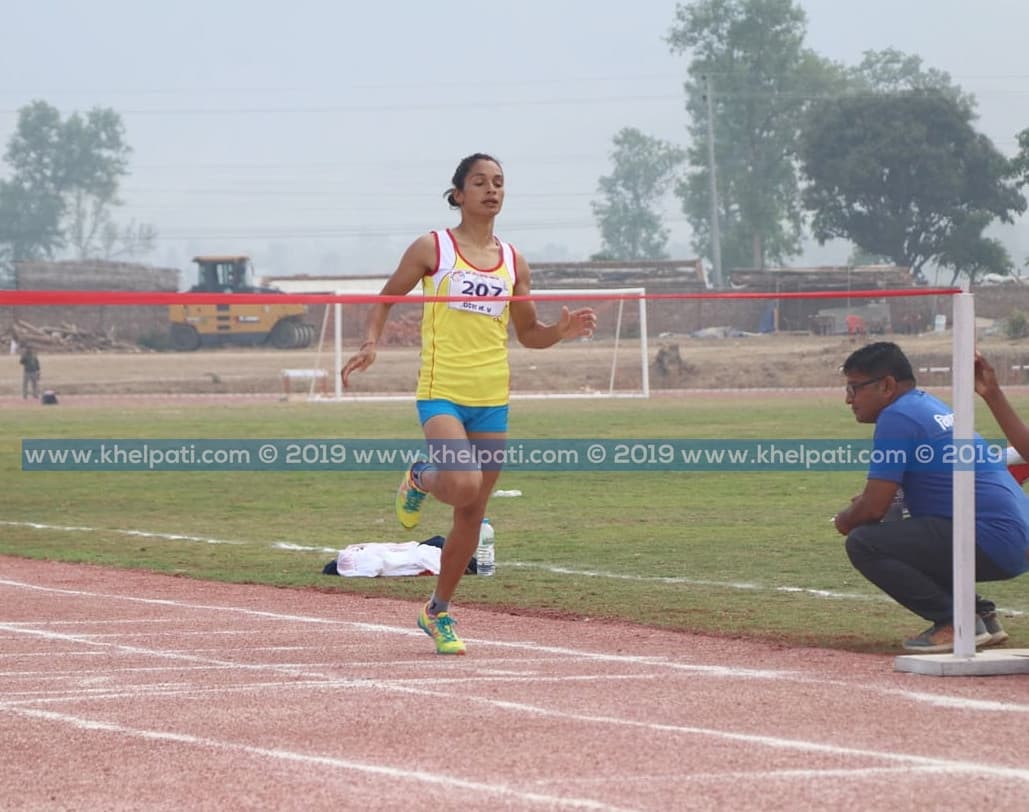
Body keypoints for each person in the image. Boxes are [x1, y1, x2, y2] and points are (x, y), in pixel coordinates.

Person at [340, 153, 597, 655]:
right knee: (460, 484)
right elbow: (387, 296)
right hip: (442, 391)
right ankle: (421, 476)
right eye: (479, 182)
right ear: (458, 194)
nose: (491, 189)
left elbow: (528, 336)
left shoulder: (513, 261)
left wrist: (560, 333)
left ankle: (438, 612)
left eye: (499, 182)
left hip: (492, 398)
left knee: (472, 514)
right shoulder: (432, 247)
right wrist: (371, 340)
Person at [831, 341, 1029, 653]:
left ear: (887, 385)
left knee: (863, 542)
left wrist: (844, 520)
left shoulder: (897, 417)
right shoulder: (927, 406)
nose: (848, 399)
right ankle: (980, 616)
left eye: (854, 388)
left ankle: (954, 622)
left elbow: (872, 508)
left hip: (993, 540)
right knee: (910, 532)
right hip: (1014, 539)